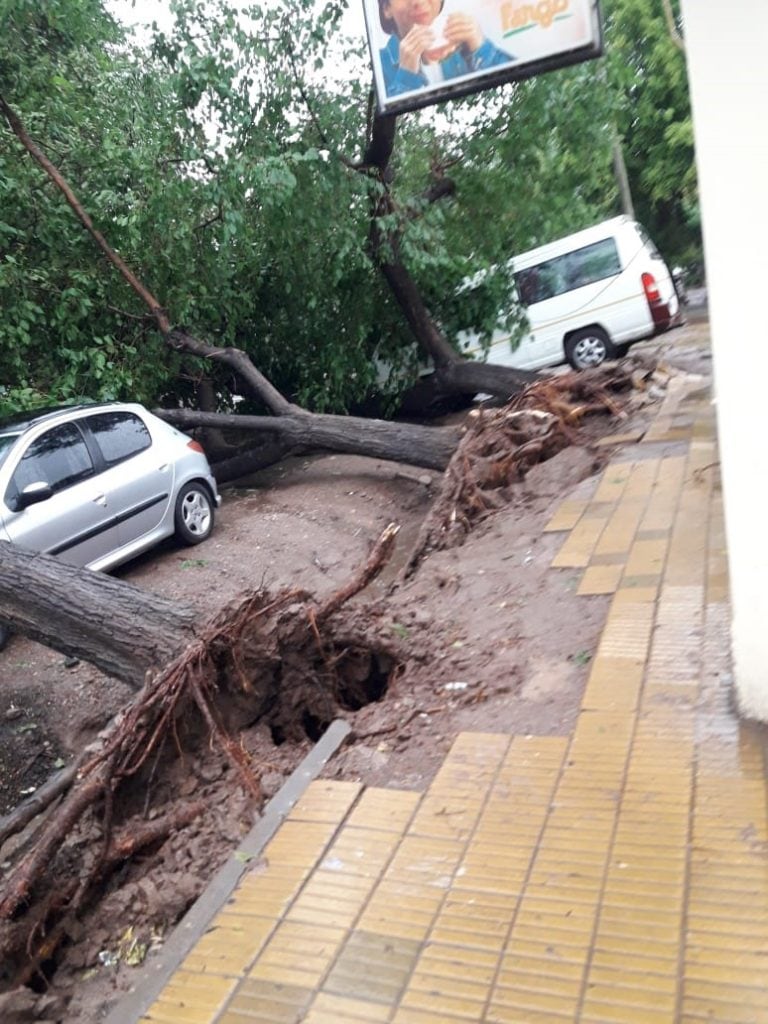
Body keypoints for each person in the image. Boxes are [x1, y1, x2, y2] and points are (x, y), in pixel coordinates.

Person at [378, 0, 514, 98]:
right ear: (386, 9)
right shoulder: (379, 65)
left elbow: (513, 89)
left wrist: (480, 48)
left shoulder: (467, 39)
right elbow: (398, 126)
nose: (417, 1)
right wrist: (407, 73)